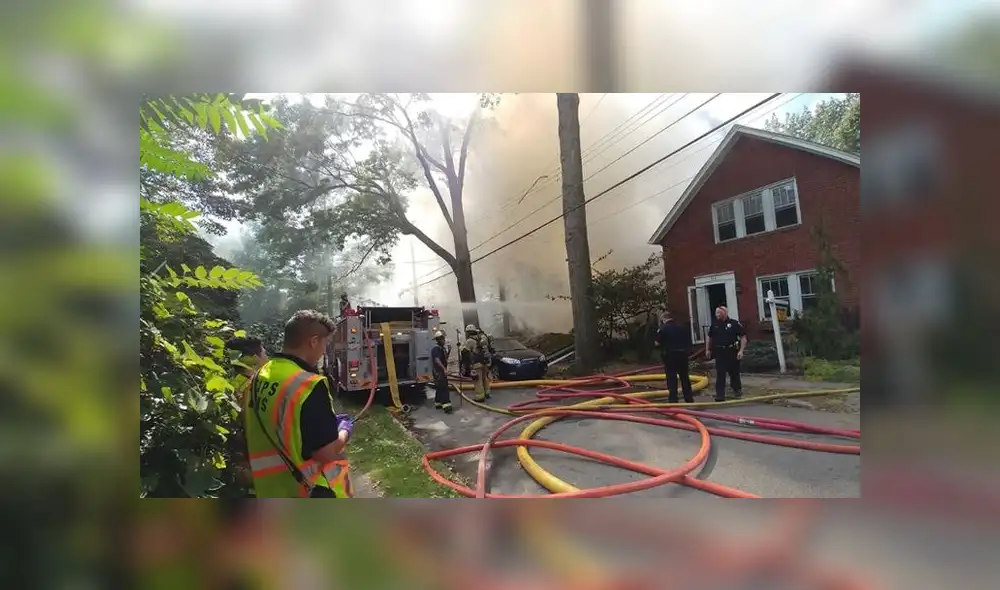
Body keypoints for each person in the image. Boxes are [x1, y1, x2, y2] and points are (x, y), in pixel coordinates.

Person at [244, 309, 355, 498]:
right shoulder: (309, 385)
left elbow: (283, 420)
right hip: (308, 492)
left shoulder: (261, 375)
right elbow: (325, 454)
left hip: (269, 490)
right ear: (313, 341)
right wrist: (345, 430)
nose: (323, 351)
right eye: (324, 343)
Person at [705, 306, 747, 402]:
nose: (717, 315)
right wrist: (707, 349)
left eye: (719, 313)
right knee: (720, 373)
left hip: (732, 350)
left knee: (734, 372)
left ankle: (737, 389)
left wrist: (741, 350)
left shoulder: (734, 324)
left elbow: (743, 337)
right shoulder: (715, 325)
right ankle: (720, 394)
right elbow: (709, 337)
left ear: (725, 313)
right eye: (716, 313)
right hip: (719, 352)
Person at [654, 311, 694, 403]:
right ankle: (689, 398)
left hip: (670, 356)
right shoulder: (681, 327)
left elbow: (657, 342)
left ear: (663, 319)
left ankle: (673, 399)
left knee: (672, 377)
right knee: (684, 377)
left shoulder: (663, 328)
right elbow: (688, 340)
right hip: (683, 355)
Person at [225, 336, 269, 407]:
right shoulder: (255, 386)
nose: (267, 358)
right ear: (255, 358)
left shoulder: (231, 385)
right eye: (265, 354)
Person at [461, 324, 492, 402]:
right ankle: (487, 393)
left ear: (468, 332)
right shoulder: (482, 338)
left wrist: (466, 364)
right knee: (485, 378)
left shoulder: (469, 341)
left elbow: (465, 352)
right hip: (485, 362)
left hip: (476, 363)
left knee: (477, 380)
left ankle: (480, 396)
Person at [431, 331, 453, 414]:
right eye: (443, 338)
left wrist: (449, 351)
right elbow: (437, 360)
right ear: (439, 339)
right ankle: (447, 406)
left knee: (440, 387)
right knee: (444, 387)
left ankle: (438, 403)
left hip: (440, 371)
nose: (444, 340)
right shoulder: (436, 348)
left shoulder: (441, 348)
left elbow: (444, 358)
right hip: (438, 371)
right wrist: (444, 369)